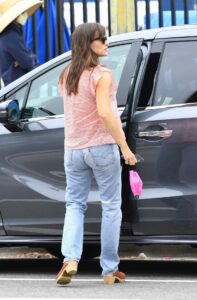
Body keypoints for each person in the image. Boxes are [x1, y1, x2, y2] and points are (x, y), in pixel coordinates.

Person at [56, 22, 137, 285]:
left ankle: (70, 260)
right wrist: (125, 148)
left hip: (73, 150)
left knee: (75, 205)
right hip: (101, 148)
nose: (106, 41)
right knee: (111, 206)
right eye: (100, 38)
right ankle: (109, 270)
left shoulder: (66, 74)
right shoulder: (102, 75)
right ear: (87, 43)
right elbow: (105, 112)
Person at [0, 0, 43, 86]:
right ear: (14, 16)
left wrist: (22, 61)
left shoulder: (10, 34)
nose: (25, 14)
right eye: (23, 12)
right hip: (18, 86)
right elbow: (28, 62)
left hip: (13, 84)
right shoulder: (11, 36)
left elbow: (25, 59)